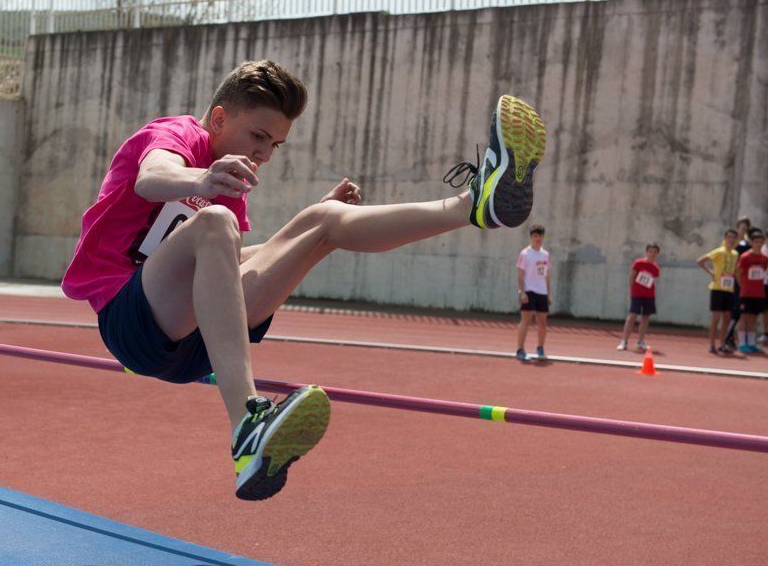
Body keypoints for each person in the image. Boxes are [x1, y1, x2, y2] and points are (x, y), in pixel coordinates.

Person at [60, 60, 547, 500]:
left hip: (198, 343)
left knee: (323, 220)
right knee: (216, 225)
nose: (265, 154)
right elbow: (152, 175)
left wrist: (302, 233)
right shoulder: (178, 137)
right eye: (258, 136)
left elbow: (226, 268)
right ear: (219, 118)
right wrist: (201, 181)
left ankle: (474, 206)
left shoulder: (232, 186)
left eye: (275, 144)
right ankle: (246, 425)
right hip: (131, 323)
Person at [697, 229, 739, 354]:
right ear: (725, 238)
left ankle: (722, 343)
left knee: (727, 317)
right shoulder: (719, 252)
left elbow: (735, 270)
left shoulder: (735, 254)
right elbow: (700, 261)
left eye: (734, 238)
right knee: (716, 318)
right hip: (717, 289)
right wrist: (711, 273)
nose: (731, 240)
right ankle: (711, 344)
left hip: (729, 289)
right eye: (729, 237)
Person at [516, 225, 551, 362]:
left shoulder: (545, 254)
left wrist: (548, 294)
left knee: (542, 322)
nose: (538, 239)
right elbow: (520, 274)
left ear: (543, 237)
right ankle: (520, 349)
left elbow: (547, 275)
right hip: (529, 291)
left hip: (541, 291)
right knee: (526, 320)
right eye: (535, 236)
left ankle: (540, 348)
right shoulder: (525, 254)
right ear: (531, 237)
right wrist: (522, 292)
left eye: (540, 236)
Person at [617, 243, 660, 351]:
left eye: (655, 252)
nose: (652, 254)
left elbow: (653, 281)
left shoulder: (656, 268)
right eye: (650, 251)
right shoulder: (638, 263)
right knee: (632, 316)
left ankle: (640, 341)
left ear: (657, 254)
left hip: (649, 296)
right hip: (637, 294)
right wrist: (631, 292)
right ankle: (624, 341)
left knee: (645, 318)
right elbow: (631, 277)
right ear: (647, 252)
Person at [735, 229, 768, 354]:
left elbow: (763, 272)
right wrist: (742, 287)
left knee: (754, 318)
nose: (759, 244)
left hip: (759, 293)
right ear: (751, 242)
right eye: (756, 242)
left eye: (761, 242)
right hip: (746, 293)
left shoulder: (765, 258)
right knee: (744, 317)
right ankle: (742, 343)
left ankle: (751, 342)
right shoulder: (745, 257)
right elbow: (738, 273)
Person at [723, 216, 753, 348]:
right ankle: (728, 336)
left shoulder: (747, 244)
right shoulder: (731, 243)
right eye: (742, 227)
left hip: (742, 280)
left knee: (739, 309)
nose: (744, 230)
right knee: (729, 309)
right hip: (729, 280)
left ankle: (732, 335)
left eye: (746, 228)